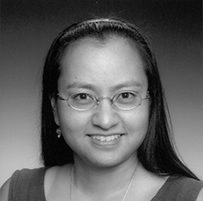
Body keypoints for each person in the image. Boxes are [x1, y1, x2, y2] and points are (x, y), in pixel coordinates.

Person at [0, 18, 203, 201]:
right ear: (55, 109)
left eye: (125, 96)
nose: (105, 121)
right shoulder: (15, 193)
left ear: (151, 104)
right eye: (82, 97)